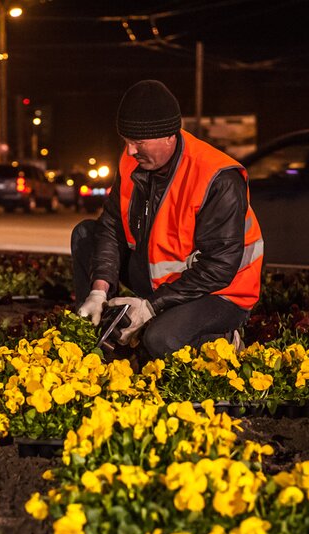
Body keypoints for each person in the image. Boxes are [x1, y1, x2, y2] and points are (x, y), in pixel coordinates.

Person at [72, 80, 264, 358]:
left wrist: (149, 307)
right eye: (126, 141)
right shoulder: (132, 163)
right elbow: (111, 226)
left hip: (220, 293)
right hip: (159, 283)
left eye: (138, 142)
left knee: (160, 340)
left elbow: (220, 268)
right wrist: (99, 290)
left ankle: (223, 339)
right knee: (85, 234)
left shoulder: (217, 177)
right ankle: (100, 333)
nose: (130, 152)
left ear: (169, 136)